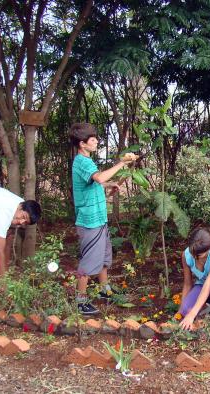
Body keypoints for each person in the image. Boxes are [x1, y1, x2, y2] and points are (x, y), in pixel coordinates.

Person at [70, 122, 135, 315]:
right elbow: (97, 178)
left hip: (98, 218)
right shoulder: (83, 162)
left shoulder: (85, 161)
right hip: (89, 220)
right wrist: (122, 163)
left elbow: (93, 183)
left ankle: (104, 289)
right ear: (82, 144)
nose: (96, 142)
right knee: (89, 260)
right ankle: (80, 301)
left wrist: (111, 184)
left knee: (104, 256)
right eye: (93, 139)